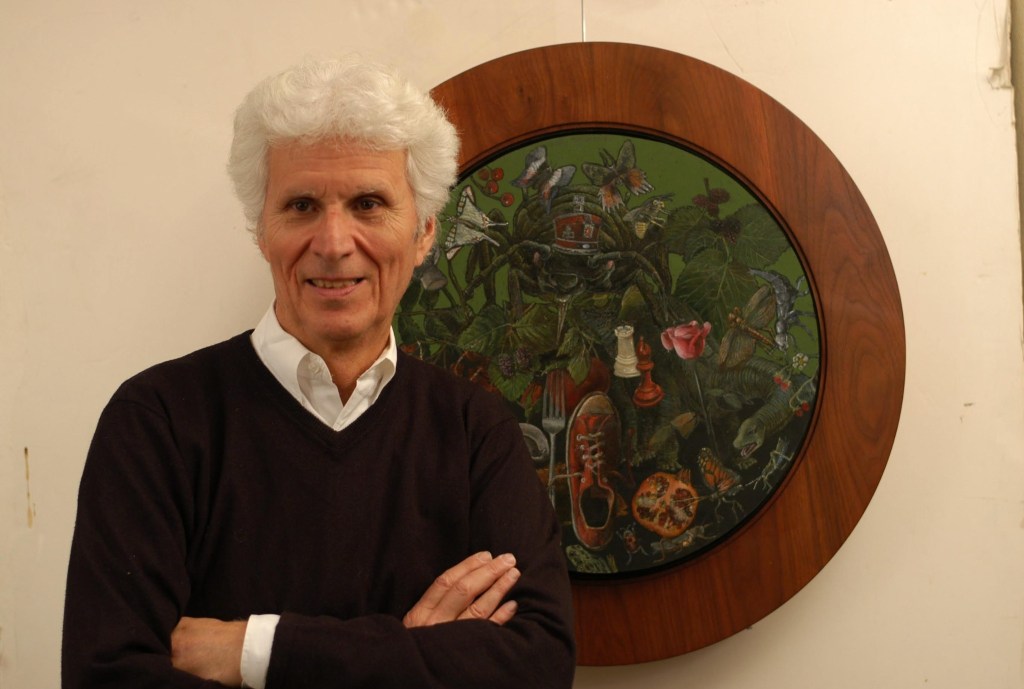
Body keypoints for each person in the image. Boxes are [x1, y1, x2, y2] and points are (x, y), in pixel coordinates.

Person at [61, 56, 575, 688]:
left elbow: (538, 666)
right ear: (261, 230)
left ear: (424, 233)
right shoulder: (157, 422)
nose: (333, 243)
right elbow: (107, 678)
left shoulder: (475, 432)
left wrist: (255, 650)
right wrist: (412, 656)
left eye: (368, 204)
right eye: (301, 205)